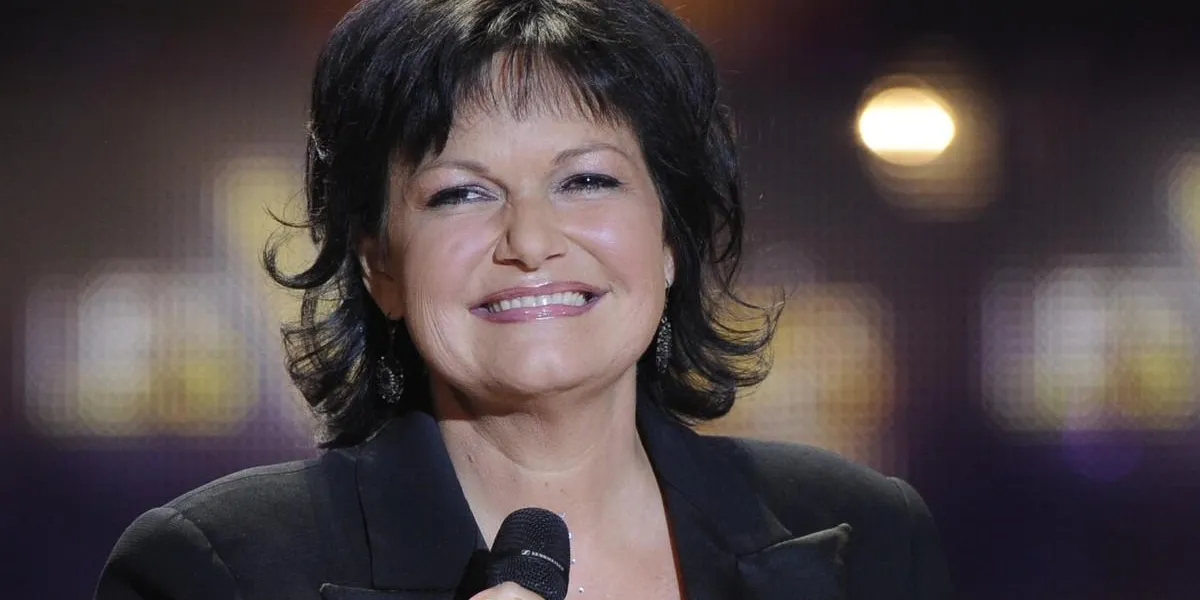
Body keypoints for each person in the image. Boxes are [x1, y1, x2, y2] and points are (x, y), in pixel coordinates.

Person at [95, 0, 953, 598]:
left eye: (586, 180)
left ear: (669, 242)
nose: (531, 241)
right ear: (378, 265)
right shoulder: (215, 570)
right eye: (461, 194)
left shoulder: (865, 537)